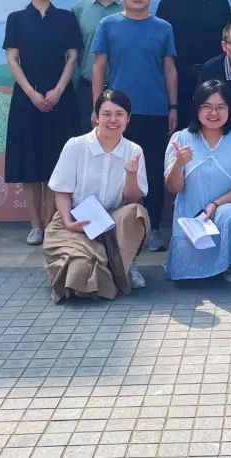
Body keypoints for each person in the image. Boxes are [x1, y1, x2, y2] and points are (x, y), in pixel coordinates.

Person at [92, 0, 178, 253]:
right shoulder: (108, 24)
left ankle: (152, 229)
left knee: (152, 171)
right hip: (117, 114)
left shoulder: (163, 27)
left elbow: (169, 69)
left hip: (155, 110)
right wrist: (98, 108)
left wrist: (173, 106)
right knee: (116, 169)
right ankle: (118, 228)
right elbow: (99, 67)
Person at [43, 89, 150, 302]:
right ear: (96, 117)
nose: (113, 120)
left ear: (128, 118)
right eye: (106, 114)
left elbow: (132, 198)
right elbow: (62, 190)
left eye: (119, 114)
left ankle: (126, 265)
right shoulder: (76, 146)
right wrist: (68, 222)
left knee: (137, 212)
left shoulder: (134, 150)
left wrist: (131, 174)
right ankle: (94, 264)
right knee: (81, 272)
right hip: (76, 221)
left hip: (112, 222)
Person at [3, 0, 83, 246]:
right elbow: (12, 58)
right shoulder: (16, 19)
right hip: (27, 100)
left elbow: (72, 57)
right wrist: (31, 93)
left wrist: (58, 90)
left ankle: (51, 224)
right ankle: (35, 225)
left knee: (56, 164)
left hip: (61, 99)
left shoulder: (66, 18)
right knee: (29, 165)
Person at [164, 80, 231, 283]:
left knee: (230, 213)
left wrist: (216, 204)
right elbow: (174, 188)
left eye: (220, 107)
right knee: (188, 273)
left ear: (229, 109)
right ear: (196, 108)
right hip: (193, 216)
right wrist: (178, 164)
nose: (213, 113)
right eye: (206, 106)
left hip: (227, 208)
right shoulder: (181, 139)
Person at [156, 0, 231, 125]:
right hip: (177, 79)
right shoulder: (168, 3)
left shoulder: (220, 3)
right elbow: (160, 48)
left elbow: (229, 44)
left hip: (214, 77)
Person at [71, 0, 122, 132]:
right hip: (87, 90)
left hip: (122, 88)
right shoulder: (78, 9)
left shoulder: (132, 8)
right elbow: (73, 54)